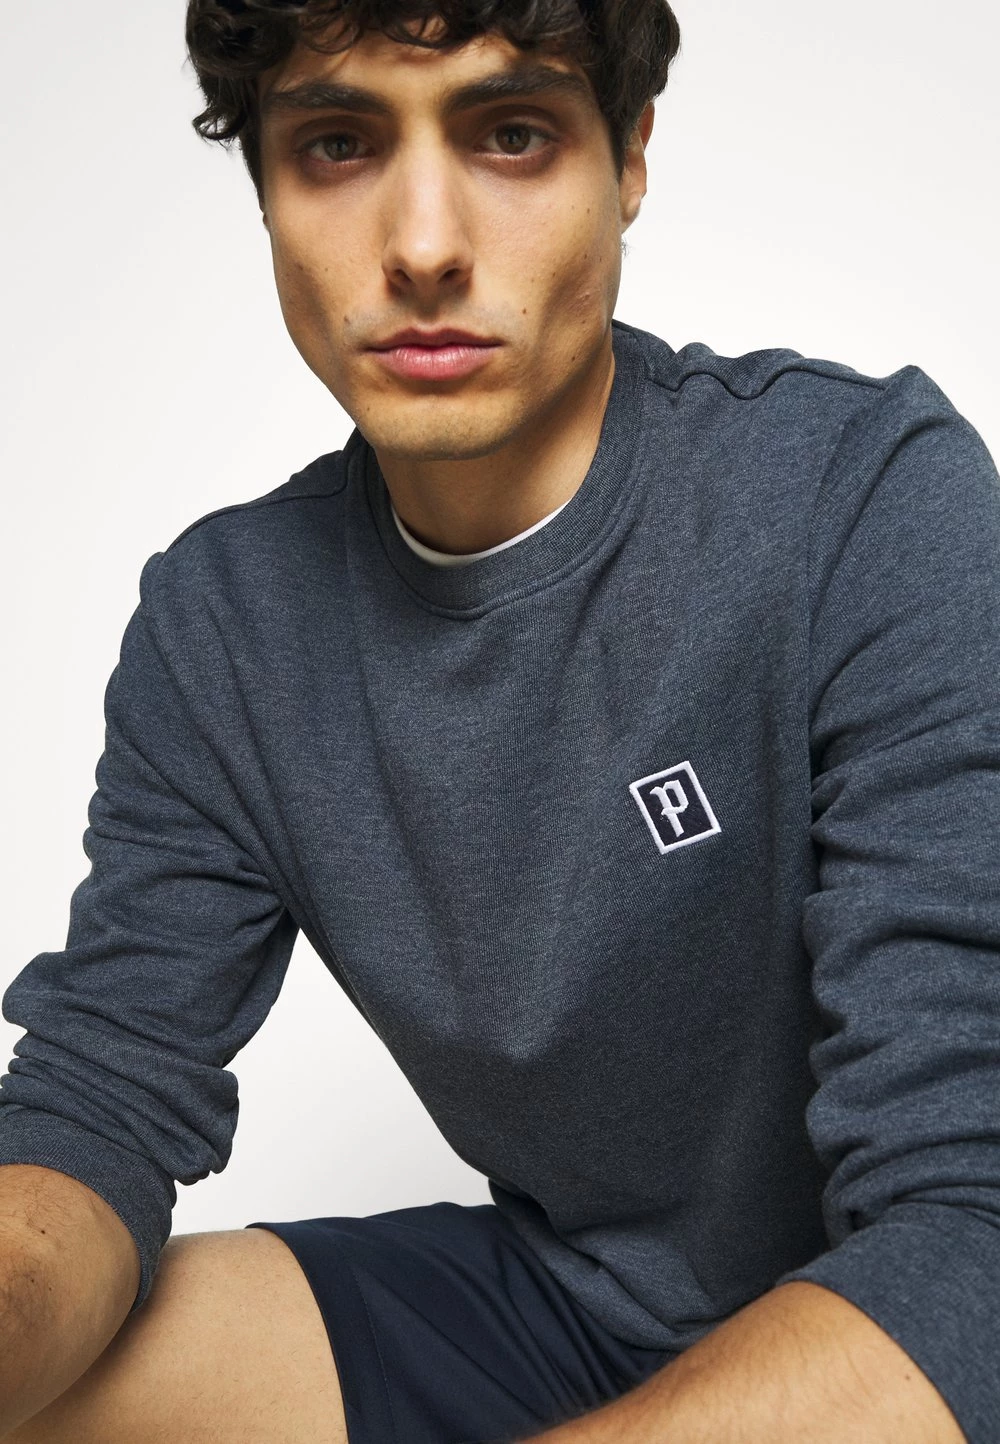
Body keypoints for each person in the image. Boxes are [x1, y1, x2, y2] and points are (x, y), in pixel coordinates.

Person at [0, 1, 994, 1441]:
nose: (422, 245)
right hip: (570, 1308)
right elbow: (96, 1101)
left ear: (629, 156)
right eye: (338, 144)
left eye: (510, 134)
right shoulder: (224, 625)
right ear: (267, 186)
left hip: (904, 1313)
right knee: (62, 1385)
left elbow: (975, 1222)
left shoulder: (860, 499)